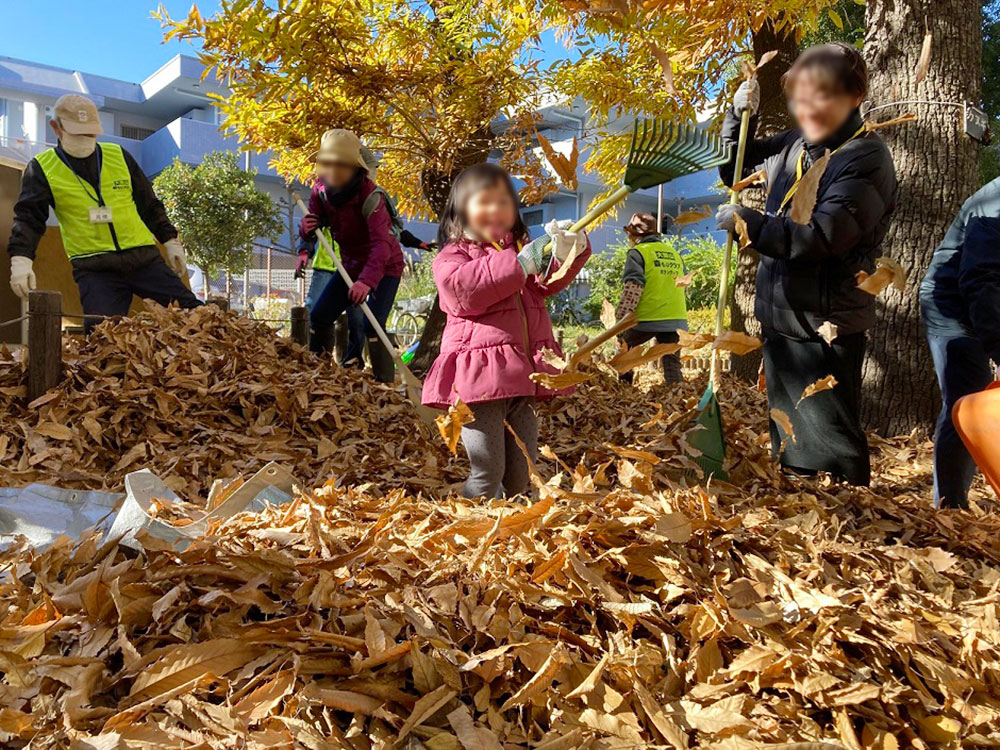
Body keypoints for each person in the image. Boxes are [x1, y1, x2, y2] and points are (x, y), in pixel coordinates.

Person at [716, 42, 898, 487]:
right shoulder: (796, 143)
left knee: (828, 444)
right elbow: (732, 168)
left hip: (824, 324)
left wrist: (751, 225)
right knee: (792, 438)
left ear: (854, 97)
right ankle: (804, 524)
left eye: (823, 97)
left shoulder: (865, 158)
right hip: (782, 316)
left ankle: (850, 534)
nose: (809, 108)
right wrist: (740, 118)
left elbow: (822, 237)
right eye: (801, 97)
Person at [422, 163, 591, 498]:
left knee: (522, 472)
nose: (496, 210)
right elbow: (461, 291)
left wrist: (568, 252)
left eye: (504, 202)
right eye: (484, 202)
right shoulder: (452, 256)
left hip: (521, 377)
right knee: (488, 471)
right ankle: (474, 531)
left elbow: (544, 284)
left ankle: (515, 535)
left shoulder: (519, 252)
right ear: (462, 209)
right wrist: (518, 264)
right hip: (479, 385)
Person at [7, 94, 199, 330]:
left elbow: (148, 204)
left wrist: (170, 241)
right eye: (78, 134)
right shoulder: (42, 168)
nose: (86, 140)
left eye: (91, 133)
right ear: (56, 128)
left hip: (144, 260)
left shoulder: (118, 156)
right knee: (101, 340)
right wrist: (21, 260)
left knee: (196, 317)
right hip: (95, 271)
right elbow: (28, 218)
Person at [298, 128, 405, 382]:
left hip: (384, 268)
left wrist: (367, 281)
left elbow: (382, 245)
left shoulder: (371, 196)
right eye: (328, 164)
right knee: (320, 316)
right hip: (349, 267)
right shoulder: (320, 190)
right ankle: (318, 375)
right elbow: (314, 224)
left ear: (355, 167)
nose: (333, 171)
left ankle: (384, 385)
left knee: (372, 327)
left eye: (341, 165)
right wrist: (306, 230)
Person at [920, 179, 1000, 508]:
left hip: (986, 300)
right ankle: (949, 506)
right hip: (951, 303)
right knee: (966, 400)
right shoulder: (997, 205)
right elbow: (980, 278)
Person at [615, 212, 687, 385]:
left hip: (648, 317)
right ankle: (677, 394)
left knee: (624, 350)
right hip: (675, 318)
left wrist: (621, 319)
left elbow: (633, 287)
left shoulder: (637, 253)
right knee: (671, 362)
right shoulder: (674, 253)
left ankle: (624, 391)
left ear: (633, 235)